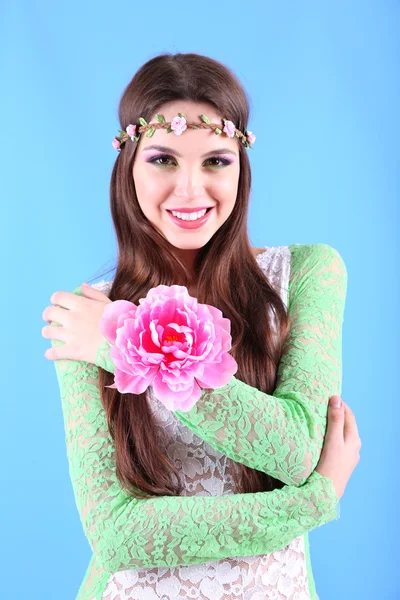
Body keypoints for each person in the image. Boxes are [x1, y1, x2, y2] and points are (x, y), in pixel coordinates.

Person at [42, 52, 361, 600]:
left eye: (216, 161)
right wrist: (314, 500)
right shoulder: (86, 316)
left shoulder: (308, 274)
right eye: (163, 159)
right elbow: (115, 536)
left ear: (242, 166)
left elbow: (294, 450)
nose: (190, 190)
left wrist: (131, 345)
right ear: (129, 167)